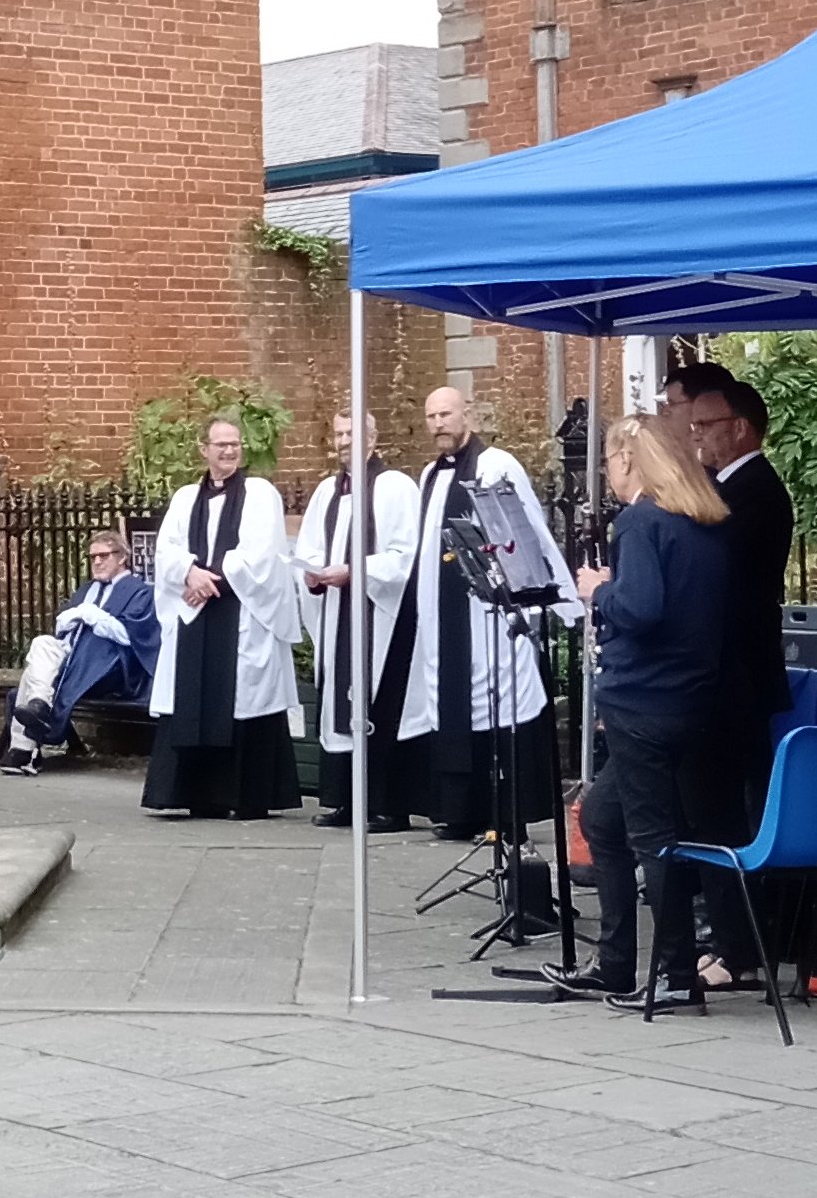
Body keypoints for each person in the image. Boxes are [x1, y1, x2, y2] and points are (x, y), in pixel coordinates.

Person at [547, 416, 740, 1007]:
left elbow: (644, 609)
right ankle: (615, 965)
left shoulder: (640, 521)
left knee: (654, 838)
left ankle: (675, 975)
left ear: (628, 461)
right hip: (691, 701)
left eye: (607, 462)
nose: (606, 473)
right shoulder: (704, 522)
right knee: (603, 821)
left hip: (642, 703)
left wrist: (599, 590)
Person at [393, 387, 568, 839]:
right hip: (443, 616)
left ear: (467, 413)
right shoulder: (429, 473)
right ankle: (459, 810)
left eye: (446, 414)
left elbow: (521, 528)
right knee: (451, 704)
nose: (438, 424)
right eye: (431, 416)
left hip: (486, 613)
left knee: (497, 702)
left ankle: (505, 816)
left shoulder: (497, 465)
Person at [142, 417, 301, 820]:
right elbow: (167, 550)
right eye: (220, 445)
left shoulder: (259, 494)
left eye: (234, 444)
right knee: (189, 691)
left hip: (240, 611)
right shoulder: (184, 498)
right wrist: (187, 573)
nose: (228, 451)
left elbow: (262, 552)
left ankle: (242, 796)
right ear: (204, 449)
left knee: (243, 695)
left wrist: (209, 577)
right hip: (194, 612)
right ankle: (194, 793)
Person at [293, 413, 414, 827]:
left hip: (378, 617)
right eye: (340, 434)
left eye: (354, 433)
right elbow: (309, 547)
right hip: (336, 613)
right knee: (338, 702)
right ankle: (344, 800)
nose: (345, 441)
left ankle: (387, 805)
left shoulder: (394, 486)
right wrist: (310, 575)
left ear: (373, 437)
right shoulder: (327, 490)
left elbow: (405, 554)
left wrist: (355, 571)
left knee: (377, 700)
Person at [683, 379, 793, 815]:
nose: (697, 434)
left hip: (742, 669)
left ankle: (754, 881)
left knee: (745, 793)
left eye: (706, 424)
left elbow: (718, 568)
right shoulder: (724, 484)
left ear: (740, 428)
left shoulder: (755, 490)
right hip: (730, 670)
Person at [0, 531, 156, 776]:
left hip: (108, 670)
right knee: (42, 644)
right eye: (92, 558)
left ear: (122, 557)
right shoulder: (86, 590)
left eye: (103, 556)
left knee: (34, 679)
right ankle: (38, 707)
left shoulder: (139, 591)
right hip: (71, 659)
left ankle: (24, 749)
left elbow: (130, 637)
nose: (97, 562)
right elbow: (63, 628)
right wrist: (70, 619)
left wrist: (93, 616)